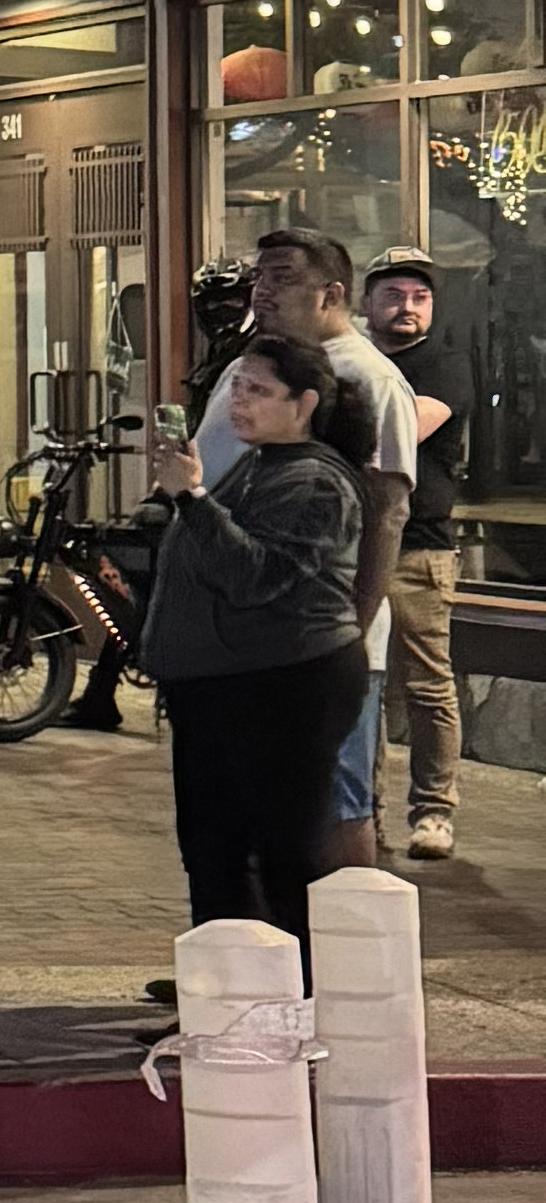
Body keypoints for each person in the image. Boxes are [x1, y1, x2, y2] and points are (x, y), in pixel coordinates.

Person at [197, 229, 415, 870]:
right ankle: (255, 955)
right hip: (234, 631)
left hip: (318, 635)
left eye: (283, 277)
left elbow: (387, 512)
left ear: (333, 294)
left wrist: (348, 627)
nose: (262, 291)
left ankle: (338, 958)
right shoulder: (249, 367)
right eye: (258, 277)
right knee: (243, 800)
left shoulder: (369, 379)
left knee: (332, 802)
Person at [143, 329, 366, 936]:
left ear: (305, 404)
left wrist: (190, 495)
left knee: (281, 853)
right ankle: (224, 988)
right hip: (223, 686)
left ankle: (291, 997)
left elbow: (254, 575)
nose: (240, 402)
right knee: (212, 848)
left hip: (281, 686)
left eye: (259, 391)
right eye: (237, 387)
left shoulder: (315, 480)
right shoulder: (258, 463)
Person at [361, 250, 468, 858]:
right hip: (349, 548)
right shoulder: (348, 361)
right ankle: (362, 813)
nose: (407, 305)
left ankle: (434, 813)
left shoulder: (445, 364)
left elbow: (406, 430)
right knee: (359, 686)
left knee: (427, 686)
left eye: (420, 296)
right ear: (365, 303)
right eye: (394, 294)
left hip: (419, 549)